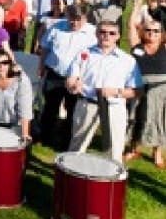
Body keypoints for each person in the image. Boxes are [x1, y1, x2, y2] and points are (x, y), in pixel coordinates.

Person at [67, 20, 142, 163]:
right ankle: (69, 181)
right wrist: (73, 85)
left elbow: (137, 91)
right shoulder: (84, 54)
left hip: (114, 107)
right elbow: (71, 78)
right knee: (76, 148)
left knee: (114, 151)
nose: (106, 36)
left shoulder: (127, 60)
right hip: (87, 104)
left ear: (118, 36)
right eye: (102, 32)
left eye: (111, 33)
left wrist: (116, 92)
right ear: (96, 34)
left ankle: (112, 183)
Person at [36, 3, 97, 149]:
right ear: (67, 15)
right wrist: (41, 66)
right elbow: (45, 47)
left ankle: (65, 140)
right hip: (54, 73)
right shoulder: (56, 27)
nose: (74, 23)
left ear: (85, 18)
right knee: (50, 107)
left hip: (77, 79)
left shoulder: (93, 33)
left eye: (78, 20)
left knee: (72, 110)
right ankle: (45, 137)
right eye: (71, 19)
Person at [125, 9, 166, 168]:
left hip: (161, 90)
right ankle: (133, 148)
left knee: (160, 120)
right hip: (139, 89)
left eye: (156, 31)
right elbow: (130, 25)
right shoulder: (136, 46)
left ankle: (157, 153)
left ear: (161, 33)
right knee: (136, 117)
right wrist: (135, 7)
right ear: (142, 31)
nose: (152, 33)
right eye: (148, 30)